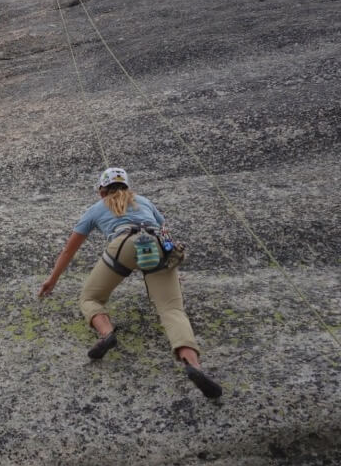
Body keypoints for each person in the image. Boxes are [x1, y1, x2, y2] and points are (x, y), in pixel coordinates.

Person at [38, 167, 223, 398]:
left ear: (101, 191)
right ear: (127, 186)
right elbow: (164, 232)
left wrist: (52, 280)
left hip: (124, 244)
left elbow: (69, 250)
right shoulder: (144, 201)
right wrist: (171, 268)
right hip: (155, 246)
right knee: (172, 309)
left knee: (90, 298)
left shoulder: (97, 208)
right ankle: (193, 365)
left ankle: (107, 334)